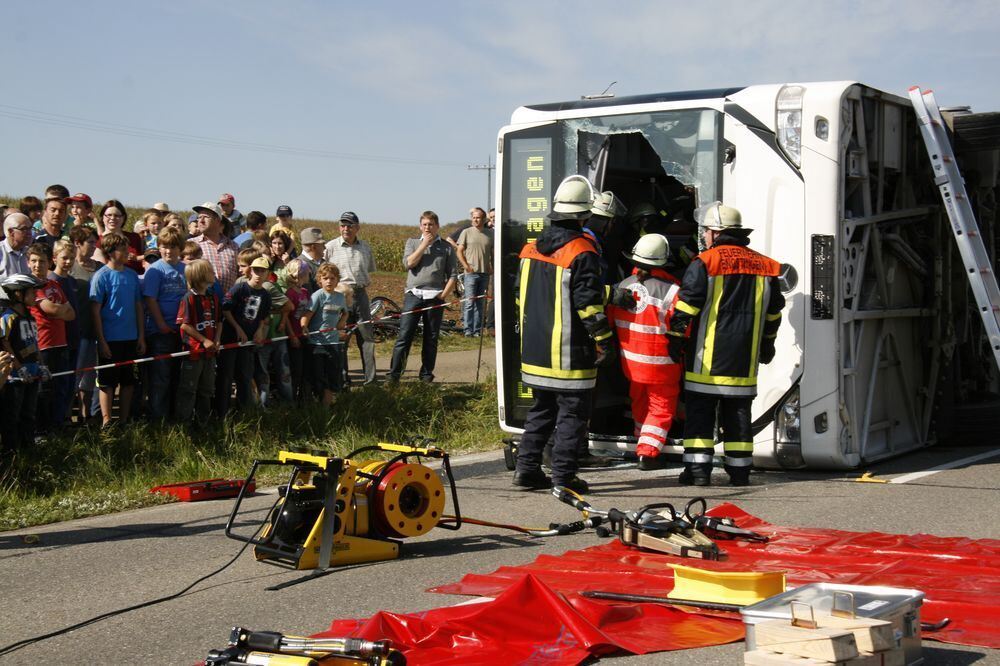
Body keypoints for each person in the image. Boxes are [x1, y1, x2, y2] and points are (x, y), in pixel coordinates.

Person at [667, 203, 785, 486]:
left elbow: (687, 307)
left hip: (705, 359)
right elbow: (774, 312)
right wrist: (767, 345)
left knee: (700, 417)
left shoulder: (705, 262)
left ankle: (697, 473)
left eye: (707, 231)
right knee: (739, 416)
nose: (705, 236)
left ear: (716, 233)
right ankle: (740, 472)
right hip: (744, 360)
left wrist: (675, 340)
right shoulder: (767, 266)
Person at [512, 175, 615, 494]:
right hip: (569, 353)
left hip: (536, 351)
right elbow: (588, 305)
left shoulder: (530, 249)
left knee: (541, 410)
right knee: (573, 415)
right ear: (584, 216)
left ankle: (527, 469)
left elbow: (520, 296)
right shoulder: (582, 252)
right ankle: (564, 476)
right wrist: (603, 340)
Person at [606, 234, 683, 471]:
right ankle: (648, 453)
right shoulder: (672, 291)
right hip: (662, 363)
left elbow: (610, 320)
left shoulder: (622, 286)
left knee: (639, 401)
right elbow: (683, 327)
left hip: (631, 363)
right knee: (661, 406)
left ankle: (641, 439)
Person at [387, 211, 456, 383]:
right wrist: (424, 244)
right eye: (424, 224)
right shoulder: (412, 243)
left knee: (431, 338)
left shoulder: (446, 248)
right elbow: (409, 263)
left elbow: (453, 275)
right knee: (404, 335)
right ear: (420, 226)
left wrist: (443, 295)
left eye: (431, 224)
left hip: (435, 298)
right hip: (414, 295)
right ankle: (395, 374)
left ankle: (426, 375)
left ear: (437, 226)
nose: (427, 227)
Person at [90, 232, 145, 426]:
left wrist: (141, 336)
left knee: (128, 380)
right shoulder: (101, 277)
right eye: (122, 248)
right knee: (107, 381)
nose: (128, 252)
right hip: (110, 338)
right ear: (111, 252)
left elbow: (138, 306)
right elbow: (95, 311)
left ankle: (123, 419)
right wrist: (102, 340)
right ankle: (106, 421)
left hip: (130, 337)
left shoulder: (132, 275)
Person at [323, 212, 377, 385]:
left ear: (357, 228)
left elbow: (370, 270)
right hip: (339, 296)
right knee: (341, 338)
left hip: (360, 295)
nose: (346, 228)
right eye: (343, 225)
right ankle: (343, 380)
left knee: (366, 338)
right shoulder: (330, 247)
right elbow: (323, 274)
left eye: (350, 225)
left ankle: (371, 379)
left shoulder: (365, 247)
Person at [26, 243, 75, 431]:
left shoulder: (54, 284)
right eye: (34, 261)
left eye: (42, 261)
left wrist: (58, 311)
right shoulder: (30, 285)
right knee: (42, 390)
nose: (38, 265)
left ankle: (57, 424)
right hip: (42, 344)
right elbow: (51, 308)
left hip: (60, 342)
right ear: (28, 263)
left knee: (60, 386)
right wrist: (59, 310)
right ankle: (41, 429)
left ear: (49, 263)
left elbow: (71, 314)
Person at [141, 227, 188, 420]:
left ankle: (174, 416)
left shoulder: (184, 269)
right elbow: (150, 300)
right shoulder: (155, 270)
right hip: (161, 332)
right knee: (161, 378)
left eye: (173, 246)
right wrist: (161, 325)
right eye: (164, 246)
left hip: (182, 330)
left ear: (180, 248)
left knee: (178, 377)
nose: (169, 251)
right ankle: (158, 419)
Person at [218, 251, 271, 415]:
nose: (258, 274)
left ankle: (244, 412)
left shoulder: (266, 295)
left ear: (267, 274)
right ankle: (222, 411)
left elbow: (263, 316)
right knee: (226, 376)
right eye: (255, 270)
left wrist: (260, 331)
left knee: (245, 376)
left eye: (262, 271)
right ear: (250, 271)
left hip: (248, 343)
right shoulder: (240, 288)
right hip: (231, 339)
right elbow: (225, 309)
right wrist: (237, 328)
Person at [0, 274, 48, 452]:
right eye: (32, 292)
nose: (36, 295)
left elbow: (35, 344)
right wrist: (18, 369)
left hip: (33, 372)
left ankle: (28, 450)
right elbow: (5, 344)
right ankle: (11, 452)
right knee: (12, 415)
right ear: (18, 294)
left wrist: (42, 365)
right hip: (14, 377)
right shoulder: (8, 317)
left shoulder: (31, 317)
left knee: (29, 413)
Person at [175, 259, 221, 421]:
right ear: (201, 276)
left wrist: (216, 339)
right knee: (188, 389)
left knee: (207, 389)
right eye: (210, 270)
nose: (213, 273)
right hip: (193, 352)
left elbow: (219, 321)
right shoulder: (189, 298)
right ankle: (184, 424)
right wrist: (204, 340)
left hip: (210, 353)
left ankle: (204, 423)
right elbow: (184, 325)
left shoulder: (213, 297)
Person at [301, 262, 347, 405]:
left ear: (337, 280)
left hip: (332, 342)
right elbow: (307, 315)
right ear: (319, 279)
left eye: (332, 278)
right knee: (317, 375)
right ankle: (315, 402)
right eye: (325, 278)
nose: (329, 281)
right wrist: (303, 327)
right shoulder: (317, 296)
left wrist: (341, 323)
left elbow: (345, 313)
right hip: (316, 343)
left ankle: (326, 406)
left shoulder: (340, 297)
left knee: (332, 374)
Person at [69, 225, 100, 420]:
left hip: (95, 329)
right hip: (76, 330)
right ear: (77, 243)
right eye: (89, 242)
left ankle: (85, 414)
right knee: (74, 376)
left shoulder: (99, 267)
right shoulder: (70, 267)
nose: (93, 246)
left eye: (94, 242)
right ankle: (66, 415)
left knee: (90, 376)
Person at [456, 207, 492, 337]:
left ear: (483, 219)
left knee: (480, 303)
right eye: (474, 217)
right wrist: (466, 266)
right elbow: (459, 251)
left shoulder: (490, 234)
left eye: (478, 217)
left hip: (484, 274)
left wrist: (491, 266)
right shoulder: (466, 232)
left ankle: (477, 331)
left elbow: (492, 252)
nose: (476, 220)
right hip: (471, 273)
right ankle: (467, 330)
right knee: (469, 302)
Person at [192, 201, 239, 293]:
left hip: (228, 303)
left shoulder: (233, 246)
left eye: (206, 217)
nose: (201, 221)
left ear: (217, 220)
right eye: (199, 217)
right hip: (202, 302)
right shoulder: (192, 244)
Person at [282, 258, 312, 400]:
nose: (309, 274)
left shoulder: (305, 292)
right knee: (296, 369)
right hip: (294, 335)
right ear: (299, 274)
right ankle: (292, 399)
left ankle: (304, 399)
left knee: (307, 369)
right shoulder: (290, 293)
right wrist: (292, 335)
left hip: (304, 334)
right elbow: (286, 317)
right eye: (306, 272)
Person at [95, 200, 144, 274]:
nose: (112, 218)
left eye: (117, 215)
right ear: (102, 217)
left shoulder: (134, 238)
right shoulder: (97, 241)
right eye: (109, 215)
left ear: (123, 218)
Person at [1, 213, 33, 279]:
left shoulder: (30, 253)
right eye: (24, 229)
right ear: (11, 232)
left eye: (30, 228)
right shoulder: (1, 252)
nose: (29, 233)